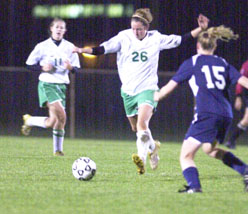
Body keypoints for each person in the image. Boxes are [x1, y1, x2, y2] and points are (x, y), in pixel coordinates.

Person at [73, 8, 209, 174]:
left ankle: (141, 160)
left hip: (148, 89)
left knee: (142, 124)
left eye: (139, 29)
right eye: (133, 28)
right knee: (137, 130)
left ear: (147, 28)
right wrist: (82, 50)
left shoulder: (156, 38)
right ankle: (153, 149)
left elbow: (181, 39)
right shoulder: (123, 37)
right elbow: (101, 49)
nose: (136, 32)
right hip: (128, 91)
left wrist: (200, 29)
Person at [154, 26, 248, 193]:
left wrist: (154, 97)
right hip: (226, 115)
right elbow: (246, 82)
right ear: (214, 46)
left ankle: (194, 188)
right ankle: (245, 170)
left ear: (198, 46)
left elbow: (167, 89)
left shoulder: (192, 63)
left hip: (207, 114)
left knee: (186, 156)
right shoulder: (222, 63)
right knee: (209, 149)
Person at [22, 18, 80, 156]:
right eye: (57, 27)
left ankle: (29, 120)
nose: (59, 29)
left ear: (65, 31)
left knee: (52, 121)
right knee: (63, 116)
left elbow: (76, 69)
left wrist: (70, 67)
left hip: (61, 86)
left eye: (62, 27)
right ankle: (58, 151)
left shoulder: (70, 47)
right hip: (47, 84)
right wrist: (42, 67)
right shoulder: (42, 46)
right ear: (51, 29)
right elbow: (29, 65)